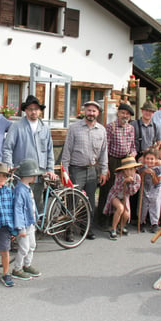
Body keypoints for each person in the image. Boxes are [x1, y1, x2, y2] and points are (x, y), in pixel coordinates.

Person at [61, 100, 108, 240]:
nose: (91, 113)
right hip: (76, 170)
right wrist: (65, 172)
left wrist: (104, 171)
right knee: (73, 201)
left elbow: (104, 152)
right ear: (84, 111)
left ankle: (86, 228)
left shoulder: (102, 130)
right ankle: (68, 230)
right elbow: (67, 151)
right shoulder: (74, 128)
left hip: (92, 170)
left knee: (90, 202)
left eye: (94, 111)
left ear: (98, 113)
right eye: (88, 110)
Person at [2, 95, 57, 211]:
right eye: (31, 109)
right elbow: (7, 148)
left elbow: (49, 151)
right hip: (21, 175)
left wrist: (50, 169)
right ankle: (22, 229)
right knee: (20, 206)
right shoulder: (16, 126)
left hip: (39, 176)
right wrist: (9, 166)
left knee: (37, 206)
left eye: (36, 109)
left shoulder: (45, 128)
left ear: (40, 111)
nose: (34, 112)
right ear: (25, 110)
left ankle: (36, 229)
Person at [96, 103, 136, 229]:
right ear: (118, 114)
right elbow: (105, 148)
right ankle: (103, 220)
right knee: (108, 189)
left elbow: (133, 146)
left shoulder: (131, 128)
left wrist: (132, 156)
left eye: (128, 114)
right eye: (123, 113)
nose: (125, 116)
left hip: (125, 163)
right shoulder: (111, 127)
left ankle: (118, 220)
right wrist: (105, 166)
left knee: (122, 190)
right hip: (112, 161)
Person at [12, 159, 43, 281]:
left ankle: (27, 264)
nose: (35, 177)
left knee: (32, 245)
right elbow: (18, 210)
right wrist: (21, 228)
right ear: (29, 176)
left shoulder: (27, 188)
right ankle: (17, 268)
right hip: (24, 225)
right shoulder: (20, 190)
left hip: (30, 222)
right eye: (34, 175)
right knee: (24, 247)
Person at [130, 100, 158, 224]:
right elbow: (131, 142)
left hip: (149, 159)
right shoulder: (134, 124)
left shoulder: (155, 126)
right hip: (136, 157)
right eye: (146, 110)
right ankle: (132, 216)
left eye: (151, 111)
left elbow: (156, 143)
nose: (148, 113)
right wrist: (138, 156)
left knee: (146, 187)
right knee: (134, 186)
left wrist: (151, 156)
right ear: (142, 111)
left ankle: (143, 216)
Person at [103, 156, 141, 240]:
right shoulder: (119, 175)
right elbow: (116, 188)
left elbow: (132, 192)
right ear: (124, 170)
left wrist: (129, 183)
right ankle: (113, 229)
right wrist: (123, 182)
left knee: (126, 213)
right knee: (120, 208)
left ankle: (122, 226)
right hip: (115, 194)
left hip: (125, 195)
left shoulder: (137, 177)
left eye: (131, 169)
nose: (129, 171)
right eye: (127, 169)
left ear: (135, 169)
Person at [138, 148, 161, 233]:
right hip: (145, 187)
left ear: (156, 160)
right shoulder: (142, 167)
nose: (149, 161)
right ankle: (141, 221)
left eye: (152, 159)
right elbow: (139, 179)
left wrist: (153, 174)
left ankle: (154, 223)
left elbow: (156, 182)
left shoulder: (159, 168)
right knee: (143, 205)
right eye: (147, 158)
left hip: (155, 188)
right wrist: (144, 173)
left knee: (155, 204)